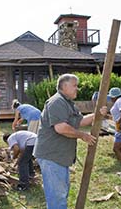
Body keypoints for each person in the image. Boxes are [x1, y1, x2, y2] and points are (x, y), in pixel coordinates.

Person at [33, 73, 107, 209]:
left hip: (59, 157)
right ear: (64, 86)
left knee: (61, 193)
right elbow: (61, 128)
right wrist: (82, 136)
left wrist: (98, 114)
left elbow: (81, 121)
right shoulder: (57, 102)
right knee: (57, 197)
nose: (77, 89)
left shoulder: (68, 103)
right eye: (74, 86)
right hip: (52, 156)